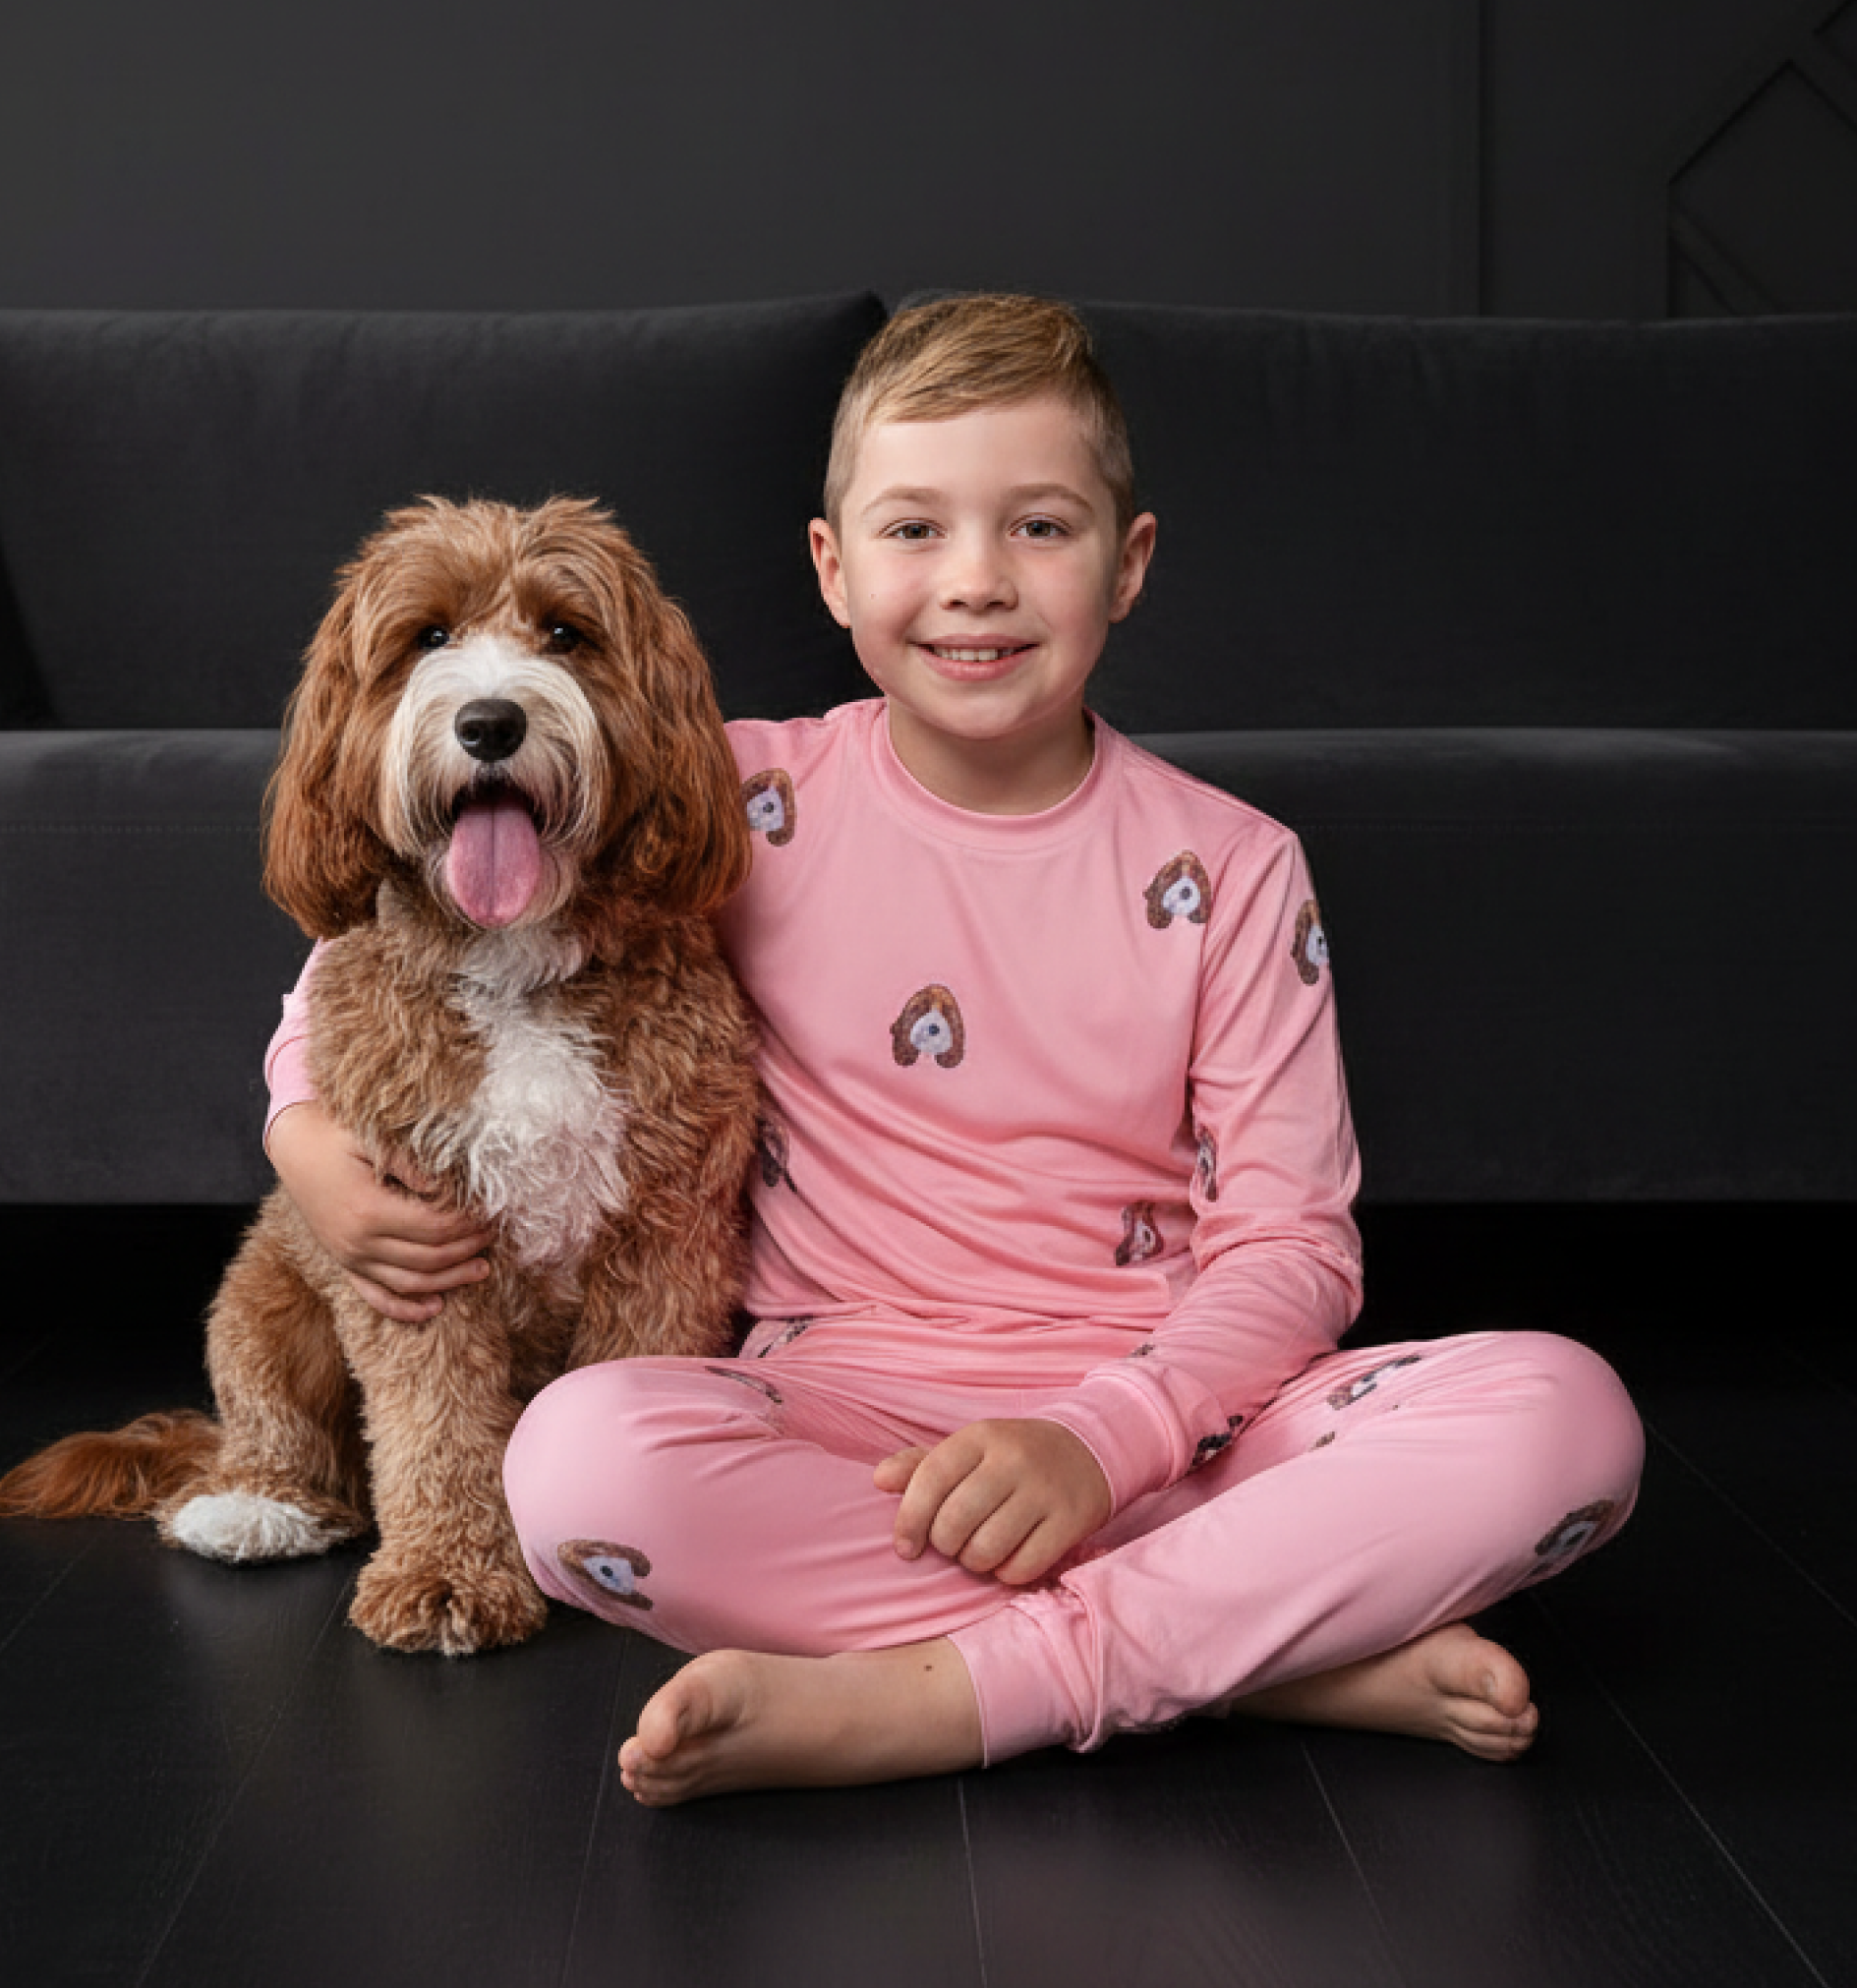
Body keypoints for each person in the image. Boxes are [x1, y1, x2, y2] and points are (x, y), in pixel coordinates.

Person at [263, 294, 1645, 1807]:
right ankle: (1267, 1652)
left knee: (1565, 1420)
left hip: (1176, 1423)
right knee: (580, 1466)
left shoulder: (1239, 867)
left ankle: (942, 1696)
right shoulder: (737, 798)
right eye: (915, 530)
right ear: (832, 566)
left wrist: (1095, 1444)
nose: (975, 584)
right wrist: (297, 1131)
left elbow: (1294, 1252)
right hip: (844, 1423)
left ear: (1128, 565)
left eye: (1039, 528)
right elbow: (406, 921)